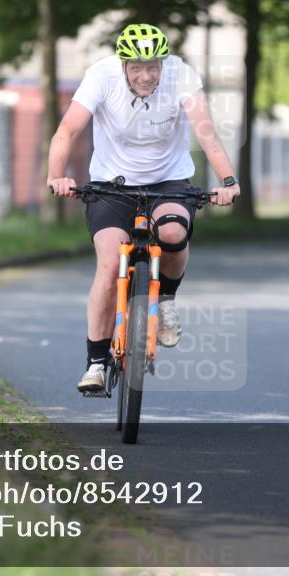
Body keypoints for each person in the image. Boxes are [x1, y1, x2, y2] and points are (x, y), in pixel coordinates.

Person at [46, 23, 241, 393]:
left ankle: (165, 298)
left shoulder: (182, 75)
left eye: (153, 66)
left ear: (163, 63)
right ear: (122, 65)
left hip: (168, 180)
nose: (146, 75)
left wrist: (229, 182)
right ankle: (97, 363)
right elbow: (67, 131)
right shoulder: (100, 76)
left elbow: (207, 134)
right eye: (136, 67)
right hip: (111, 184)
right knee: (109, 262)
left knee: (172, 233)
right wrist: (57, 176)